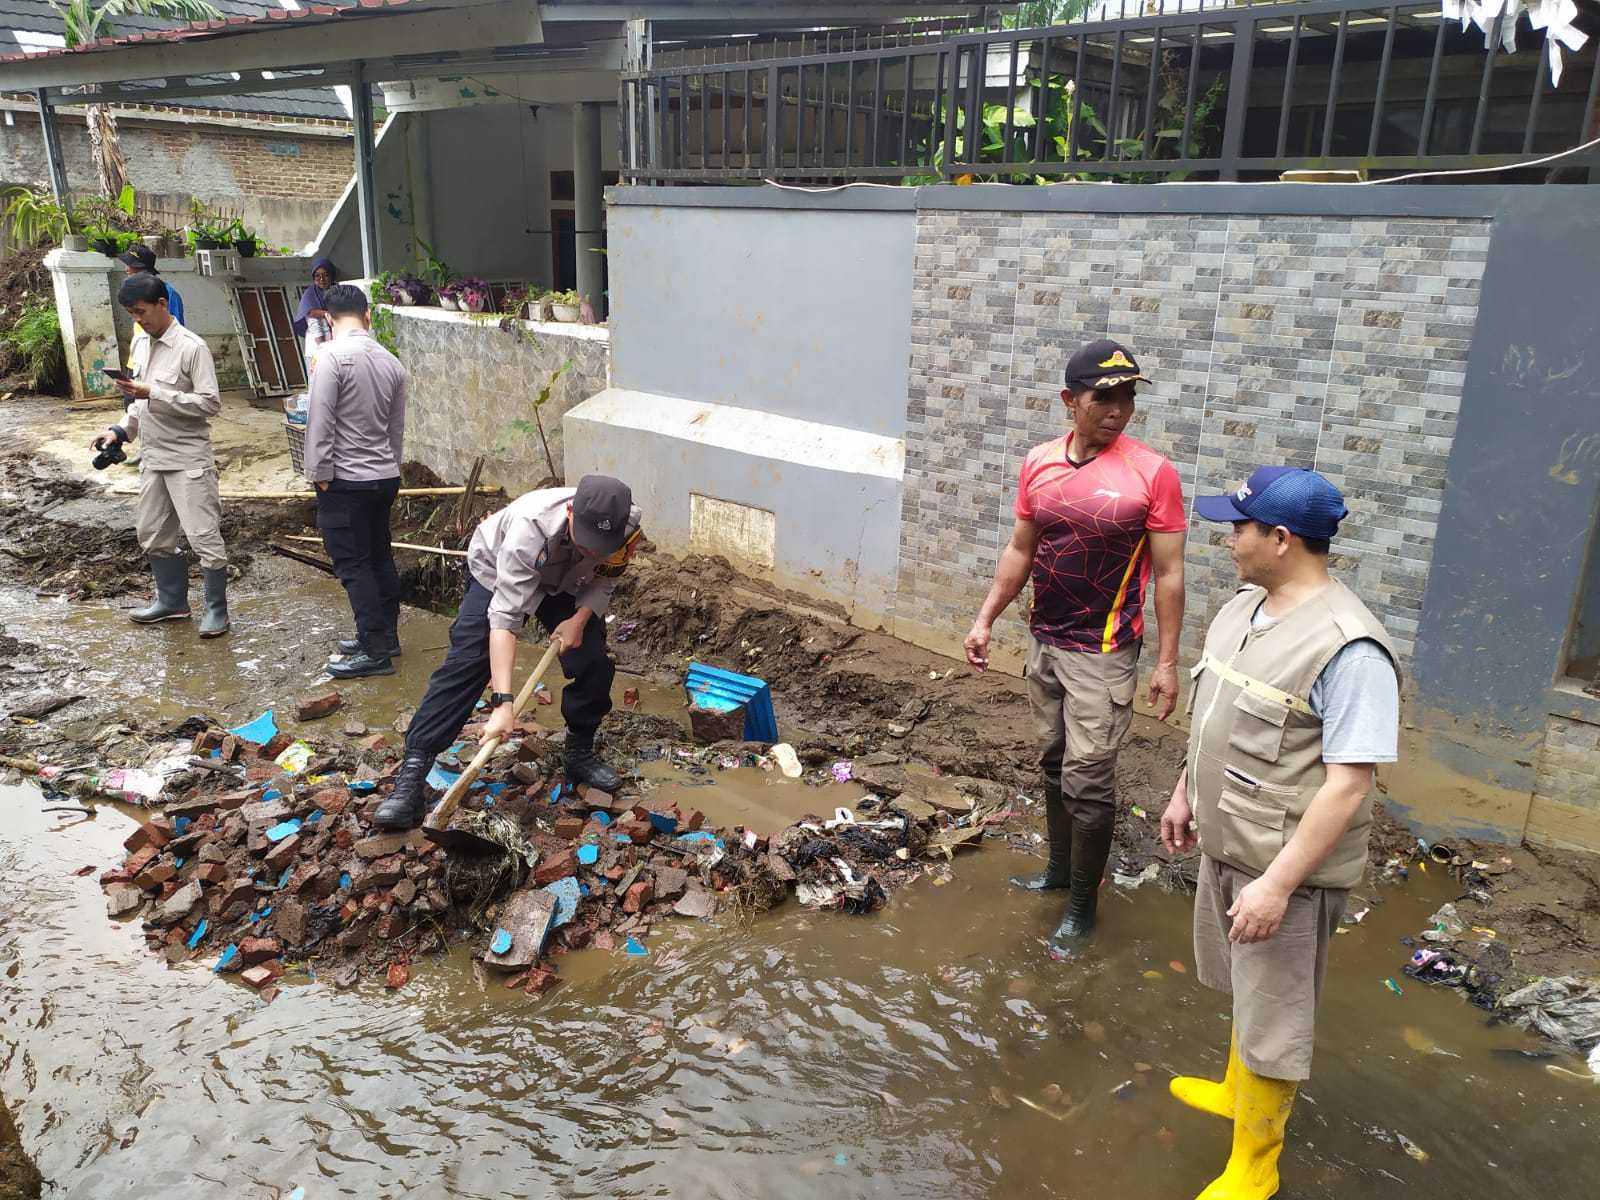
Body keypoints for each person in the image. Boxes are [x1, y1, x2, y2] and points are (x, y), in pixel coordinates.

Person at [1160, 467, 1399, 1200]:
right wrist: (1183, 793)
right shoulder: (1244, 609)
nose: (1229, 541)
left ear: (1282, 539)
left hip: (1282, 869)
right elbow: (1214, 716)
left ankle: (1255, 1167)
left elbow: (1350, 783)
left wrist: (1278, 883)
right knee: (1246, 988)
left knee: (1275, 1016)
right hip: (1232, 841)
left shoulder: (1350, 650)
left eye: (1240, 528)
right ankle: (1238, 1094)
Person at [964, 339, 1186, 957]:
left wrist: (1167, 664)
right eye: (1103, 397)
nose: (1118, 410)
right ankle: (1059, 873)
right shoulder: (1039, 463)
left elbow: (1169, 574)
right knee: (1055, 762)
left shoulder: (1152, 473)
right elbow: (1021, 550)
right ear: (1071, 401)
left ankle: (1082, 908)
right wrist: (985, 619)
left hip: (1105, 652)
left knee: (1090, 781)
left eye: (1127, 398)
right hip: (1045, 642)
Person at [372, 476, 644, 831]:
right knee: (469, 662)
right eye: (588, 540)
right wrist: (503, 704)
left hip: (565, 583)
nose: (594, 551)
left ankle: (578, 752)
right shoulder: (528, 530)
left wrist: (578, 620)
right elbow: (504, 621)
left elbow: (605, 578)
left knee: (593, 658)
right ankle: (411, 776)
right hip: (495, 570)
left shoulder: (627, 526)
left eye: (601, 545)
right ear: (569, 512)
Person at [89, 273, 228, 637]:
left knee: (203, 536)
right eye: (132, 314)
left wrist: (157, 393)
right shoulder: (141, 345)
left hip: (188, 459)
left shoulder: (191, 347)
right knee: (152, 534)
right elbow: (137, 402)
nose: (139, 319)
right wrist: (119, 431)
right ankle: (172, 603)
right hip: (154, 459)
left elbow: (211, 404)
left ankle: (216, 609)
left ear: (162, 305)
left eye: (141, 312)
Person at [304, 283, 409, 679]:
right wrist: (389, 468)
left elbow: (320, 421)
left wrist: (319, 476)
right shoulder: (391, 362)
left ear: (329, 320)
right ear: (366, 316)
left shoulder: (330, 357)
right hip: (383, 476)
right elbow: (395, 430)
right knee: (379, 555)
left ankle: (374, 649)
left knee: (353, 564)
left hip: (345, 480)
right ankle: (386, 636)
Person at [118, 244, 184, 325]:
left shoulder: (169, 294)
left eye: (131, 265)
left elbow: (177, 327)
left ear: (144, 270)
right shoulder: (134, 292)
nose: (127, 269)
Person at [293, 258, 337, 371]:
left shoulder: (337, 291)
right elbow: (310, 312)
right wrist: (327, 314)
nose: (321, 279)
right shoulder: (310, 294)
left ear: (331, 276)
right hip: (316, 349)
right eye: (317, 276)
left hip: (335, 347)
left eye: (325, 275)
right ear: (313, 278)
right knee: (316, 383)